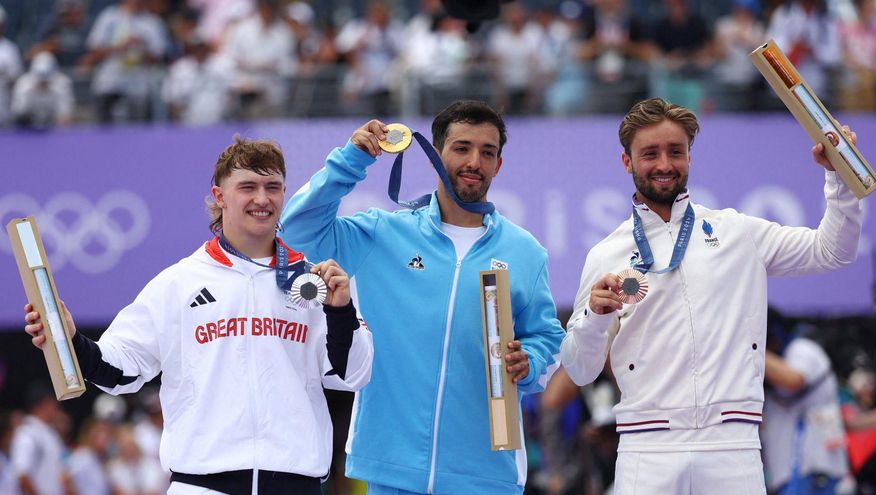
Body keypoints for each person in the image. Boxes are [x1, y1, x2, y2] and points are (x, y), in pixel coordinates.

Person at [24, 137, 373, 495]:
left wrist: (341, 311)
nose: (262, 199)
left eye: (273, 187)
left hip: (294, 484)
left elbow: (353, 375)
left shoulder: (315, 282)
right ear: (220, 196)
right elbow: (119, 370)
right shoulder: (179, 283)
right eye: (247, 187)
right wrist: (71, 340)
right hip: (201, 486)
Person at [560, 97, 862, 494]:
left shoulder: (738, 232)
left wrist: (839, 178)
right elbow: (580, 371)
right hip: (646, 448)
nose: (665, 165)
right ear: (626, 162)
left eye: (676, 152)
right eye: (650, 153)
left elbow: (832, 251)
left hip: (732, 443)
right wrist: (594, 319)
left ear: (690, 156)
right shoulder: (605, 254)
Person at [280, 99, 565, 494]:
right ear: (435, 155)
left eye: (488, 152)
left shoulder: (525, 252)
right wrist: (351, 160)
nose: (474, 162)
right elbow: (295, 229)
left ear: (499, 165)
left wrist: (529, 362)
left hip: (484, 475)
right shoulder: (383, 233)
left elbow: (548, 338)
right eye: (461, 148)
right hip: (391, 468)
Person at [763, 307, 848, 495]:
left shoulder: (801, 348)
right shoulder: (778, 359)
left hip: (812, 464)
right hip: (788, 469)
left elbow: (794, 380)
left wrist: (749, 345)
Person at [9, 383, 66, 495]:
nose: (57, 407)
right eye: (53, 403)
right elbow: (22, 474)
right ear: (41, 405)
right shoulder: (27, 432)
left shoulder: (51, 434)